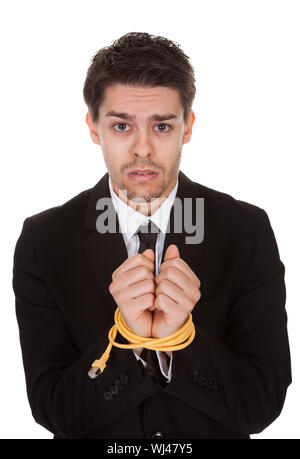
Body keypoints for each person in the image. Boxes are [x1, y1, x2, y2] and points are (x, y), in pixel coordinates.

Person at [12, 32, 291, 440]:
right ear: (93, 127)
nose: (142, 149)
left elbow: (262, 404)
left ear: (188, 126)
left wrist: (181, 339)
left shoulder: (246, 230)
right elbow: (54, 411)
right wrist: (129, 337)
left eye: (162, 126)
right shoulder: (44, 240)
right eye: (122, 125)